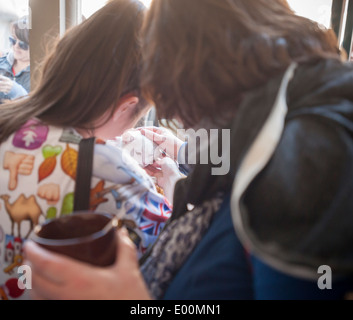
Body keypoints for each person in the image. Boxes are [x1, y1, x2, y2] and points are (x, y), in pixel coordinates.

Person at [25, 0, 353, 300]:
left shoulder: (311, 162)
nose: (172, 116)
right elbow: (246, 148)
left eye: (175, 98)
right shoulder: (292, 102)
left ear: (201, 75)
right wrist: (182, 154)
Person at [0, 0, 174, 301]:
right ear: (129, 106)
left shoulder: (7, 119)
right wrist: (169, 183)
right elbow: (168, 263)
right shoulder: (114, 175)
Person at [0, 16, 30, 103]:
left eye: (23, 43)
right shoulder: (2, 63)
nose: (16, 46)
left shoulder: (39, 73)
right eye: (13, 40)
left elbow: (37, 107)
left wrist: (16, 91)